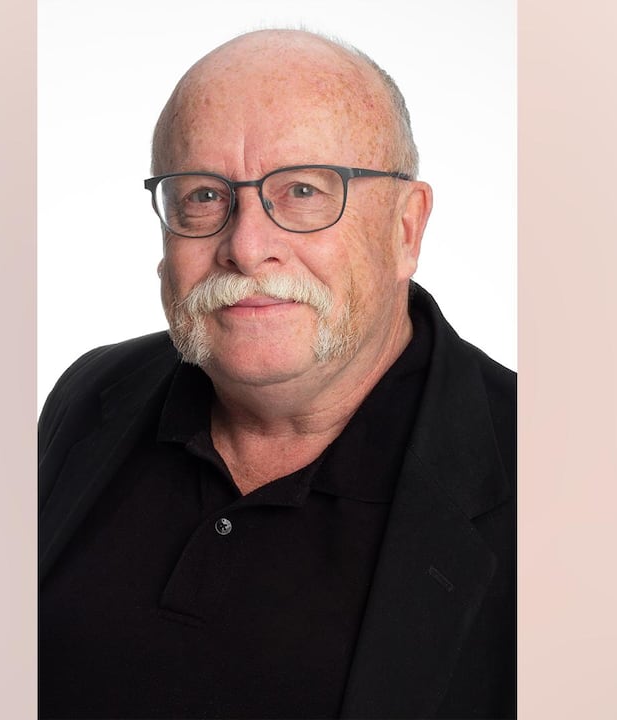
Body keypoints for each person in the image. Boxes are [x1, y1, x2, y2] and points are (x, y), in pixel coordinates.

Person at [39, 28, 515, 719]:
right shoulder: (92, 394)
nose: (246, 245)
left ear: (405, 230)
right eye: (203, 196)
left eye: (301, 190)